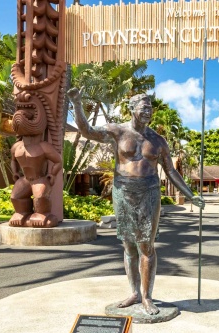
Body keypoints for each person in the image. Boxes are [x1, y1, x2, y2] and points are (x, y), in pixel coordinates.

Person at [68, 88, 205, 315]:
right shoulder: (117, 132)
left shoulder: (158, 141)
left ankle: (147, 297)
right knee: (128, 245)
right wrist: (77, 103)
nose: (148, 112)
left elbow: (171, 171)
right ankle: (134, 292)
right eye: (144, 108)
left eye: (150, 108)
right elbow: (87, 130)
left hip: (149, 193)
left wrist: (191, 195)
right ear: (132, 109)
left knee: (146, 246)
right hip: (123, 191)